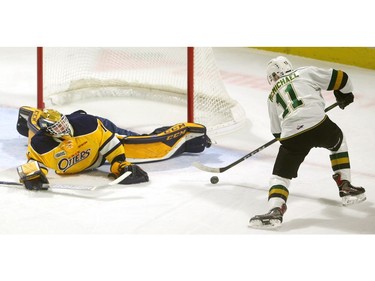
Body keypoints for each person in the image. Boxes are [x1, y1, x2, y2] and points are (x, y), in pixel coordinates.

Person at [248, 56, 366, 229]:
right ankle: (345, 185)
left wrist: (293, 138)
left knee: (280, 176)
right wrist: (345, 93)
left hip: (291, 136)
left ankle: (275, 210)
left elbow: (277, 132)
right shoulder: (305, 72)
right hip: (319, 125)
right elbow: (342, 78)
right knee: (338, 142)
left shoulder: (272, 96)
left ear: (273, 75)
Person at [16, 106, 211, 191]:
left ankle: (188, 133)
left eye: (62, 123)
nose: (63, 128)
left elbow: (110, 143)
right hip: (82, 140)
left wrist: (120, 164)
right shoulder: (41, 144)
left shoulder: (89, 126)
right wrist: (32, 173)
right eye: (56, 127)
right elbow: (34, 161)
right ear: (49, 132)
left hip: (103, 130)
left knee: (148, 146)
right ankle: (29, 114)